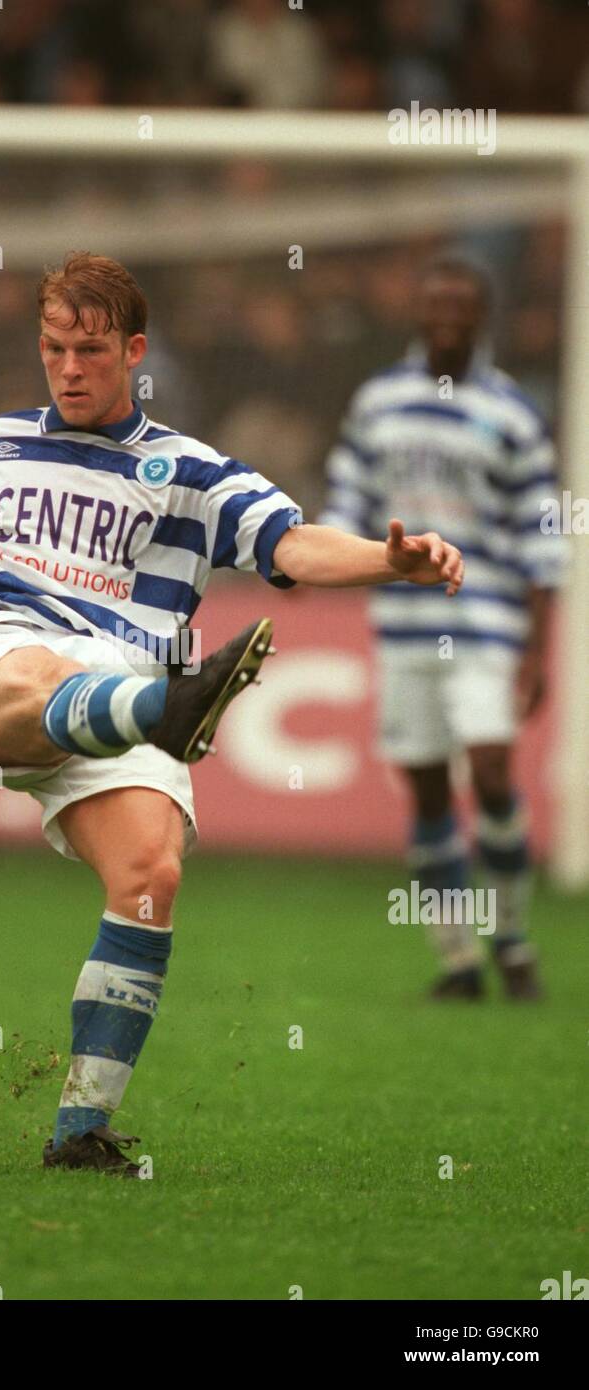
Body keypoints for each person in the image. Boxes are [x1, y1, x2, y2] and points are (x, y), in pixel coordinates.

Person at [0, 252, 463, 1174]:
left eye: (91, 350)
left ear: (135, 350)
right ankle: (167, 703)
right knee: (42, 674)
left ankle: (79, 1132)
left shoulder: (188, 469)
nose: (69, 368)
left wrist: (396, 562)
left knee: (150, 874)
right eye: (54, 347)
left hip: (126, 695)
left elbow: (292, 546)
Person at [322, 254, 564, 1002]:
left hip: (485, 622)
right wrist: (310, 561)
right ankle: (459, 960)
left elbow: (540, 535)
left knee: (491, 775)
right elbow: (346, 500)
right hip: (402, 626)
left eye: (463, 302)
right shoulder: (377, 403)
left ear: (482, 315)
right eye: (437, 302)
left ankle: (514, 940)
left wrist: (538, 651)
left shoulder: (514, 412)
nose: (449, 314)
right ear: (420, 313)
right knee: (428, 794)